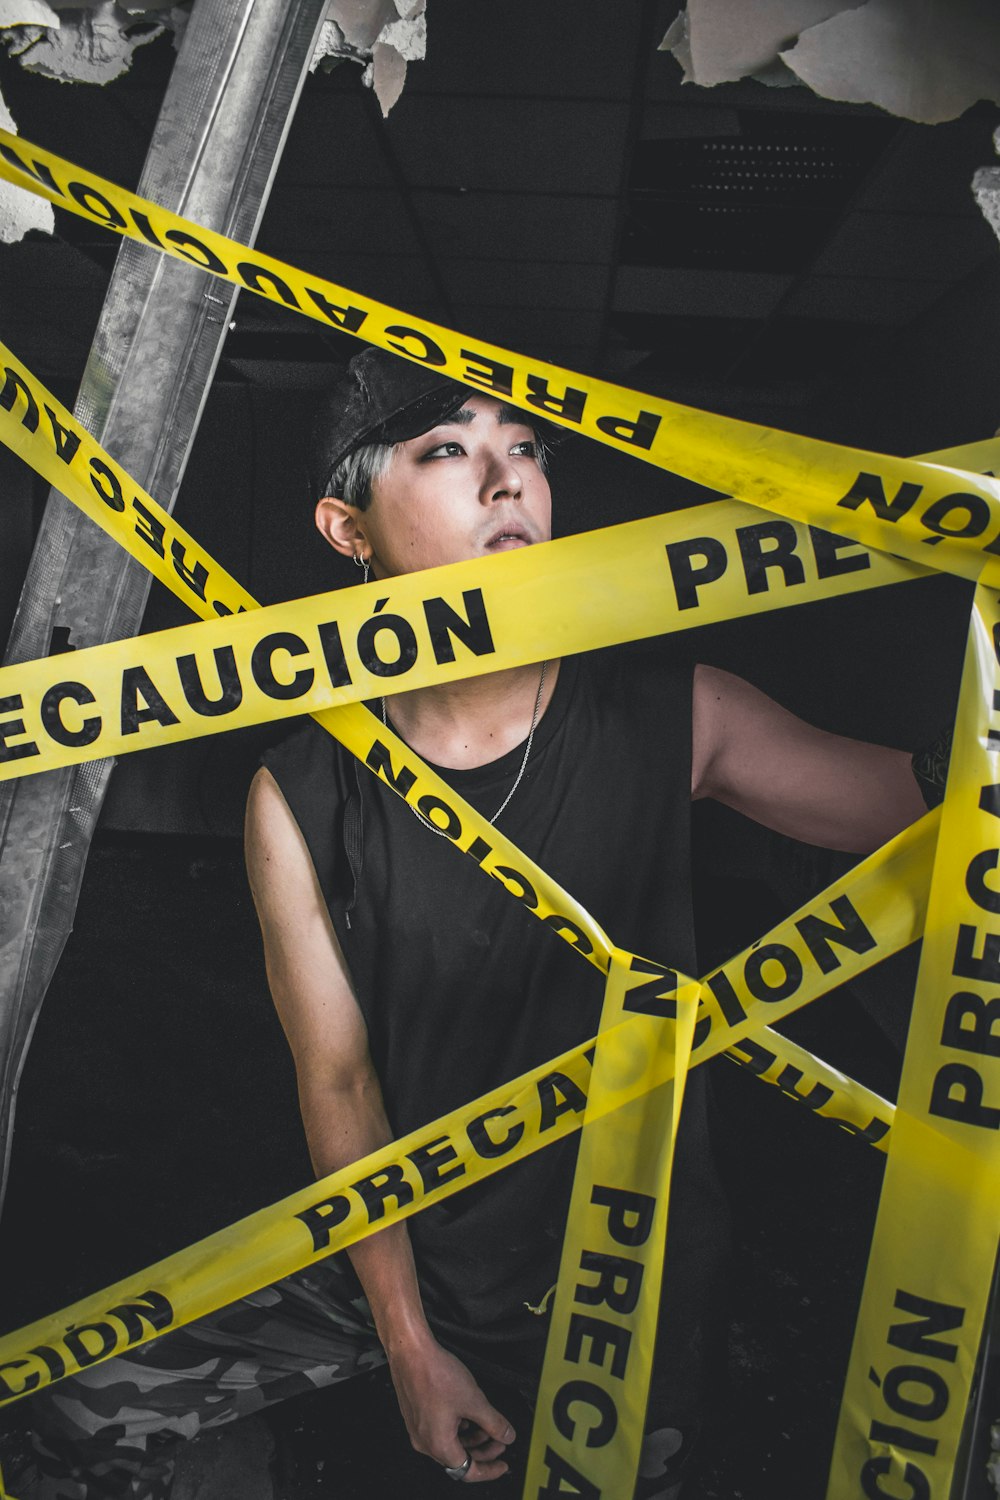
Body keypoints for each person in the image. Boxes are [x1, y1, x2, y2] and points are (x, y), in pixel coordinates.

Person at [12, 347, 927, 1499]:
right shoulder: (303, 789)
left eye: (525, 451)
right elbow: (339, 1083)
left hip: (619, 1278)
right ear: (347, 530)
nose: (510, 484)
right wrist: (409, 1349)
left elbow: (905, 801)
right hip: (405, 1256)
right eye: (448, 452)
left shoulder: (673, 717)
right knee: (82, 1406)